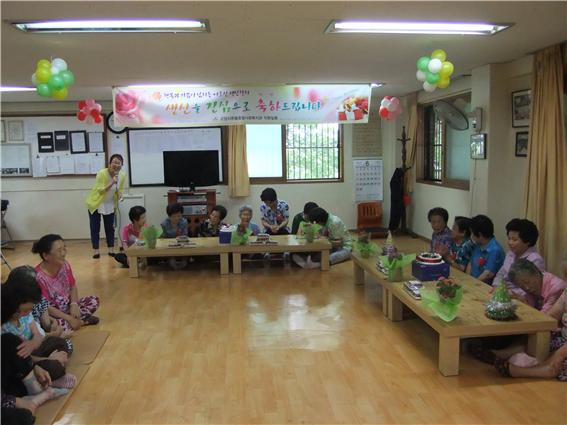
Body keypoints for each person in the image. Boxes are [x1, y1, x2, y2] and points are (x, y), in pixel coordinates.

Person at [1, 275, 73, 384]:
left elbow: (38, 334)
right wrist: (49, 359)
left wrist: (33, 343)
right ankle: (52, 373)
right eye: (25, 310)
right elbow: (23, 360)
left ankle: (56, 363)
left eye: (30, 309)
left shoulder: (25, 315)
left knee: (62, 343)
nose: (28, 313)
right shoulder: (5, 329)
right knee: (53, 367)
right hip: (27, 362)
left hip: (37, 350)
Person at [493, 287, 567, 380]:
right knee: (535, 339)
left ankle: (538, 369)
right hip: (562, 339)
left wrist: (557, 356)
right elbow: (551, 317)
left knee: (560, 364)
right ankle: (506, 353)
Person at [32, 234, 100, 331]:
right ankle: (81, 322)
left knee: (94, 301)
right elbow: (46, 307)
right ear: (46, 256)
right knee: (54, 326)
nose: (63, 253)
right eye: (59, 251)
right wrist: (68, 318)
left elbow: (73, 286)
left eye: (64, 249)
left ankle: (75, 322)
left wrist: (74, 304)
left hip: (68, 308)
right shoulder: (39, 277)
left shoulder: (65, 265)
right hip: (53, 315)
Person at [85, 154, 126, 259]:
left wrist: (120, 195)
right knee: (95, 228)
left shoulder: (122, 175)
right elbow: (100, 190)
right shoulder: (102, 173)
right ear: (109, 163)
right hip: (96, 203)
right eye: (114, 162)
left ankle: (111, 250)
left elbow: (119, 189)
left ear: (121, 165)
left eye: (119, 163)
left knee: (110, 228)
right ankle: (96, 251)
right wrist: (112, 182)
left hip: (109, 203)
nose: (116, 165)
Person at [493, 219, 545, 299]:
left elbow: (532, 288)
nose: (510, 242)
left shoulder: (535, 259)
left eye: (514, 240)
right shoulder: (510, 254)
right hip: (504, 294)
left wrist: (510, 293)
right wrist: (496, 286)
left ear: (527, 241)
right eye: (509, 238)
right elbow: (501, 274)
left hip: (522, 299)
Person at [469, 214, 505, 285]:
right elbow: (470, 263)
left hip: (484, 286)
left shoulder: (495, 250)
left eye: (472, 233)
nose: (471, 236)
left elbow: (488, 274)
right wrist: (467, 279)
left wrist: (472, 284)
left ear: (480, 235)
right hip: (473, 282)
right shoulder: (478, 244)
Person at [161, 203, 189, 270]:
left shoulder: (184, 222)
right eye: (174, 216)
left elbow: (185, 235)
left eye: (179, 216)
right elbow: (163, 239)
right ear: (169, 216)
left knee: (184, 264)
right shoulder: (164, 224)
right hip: (170, 249)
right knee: (172, 263)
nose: (177, 218)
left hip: (182, 247)